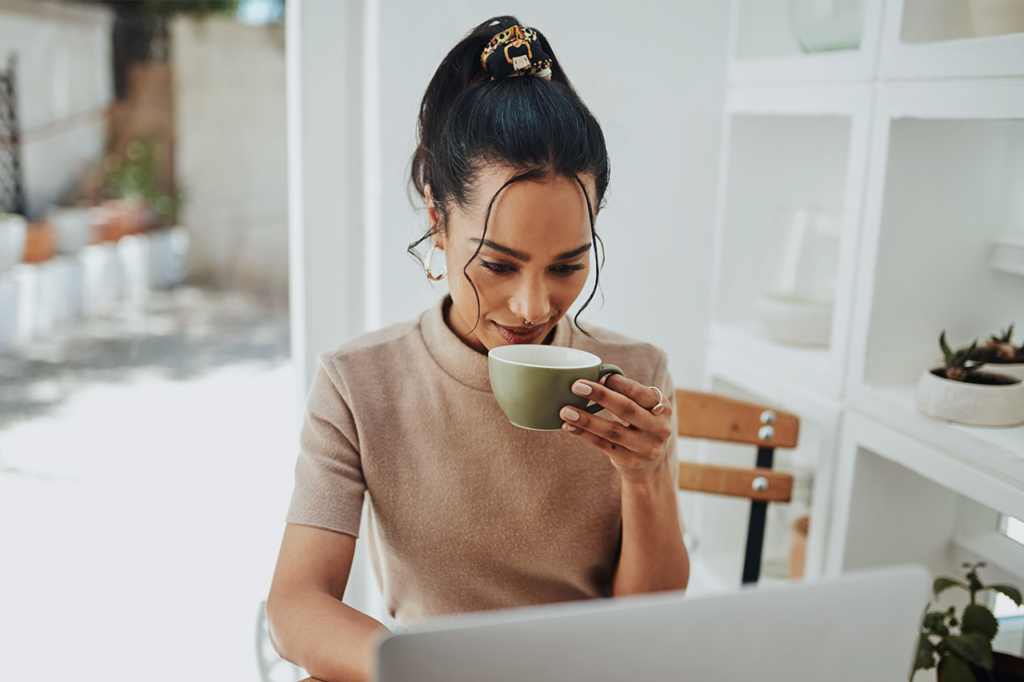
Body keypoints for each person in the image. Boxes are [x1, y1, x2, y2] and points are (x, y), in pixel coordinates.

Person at [266, 16, 689, 682]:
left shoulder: (636, 377)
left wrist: (645, 478)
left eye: (567, 266)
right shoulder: (359, 385)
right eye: (498, 264)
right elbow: (295, 606)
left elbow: (649, 627)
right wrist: (424, 671)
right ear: (438, 220)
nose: (533, 307)